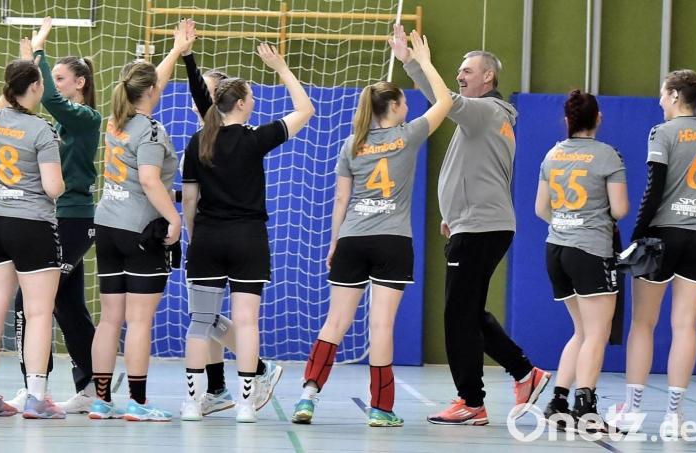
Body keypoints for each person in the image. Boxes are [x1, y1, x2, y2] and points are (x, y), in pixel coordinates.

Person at [390, 24, 550, 425]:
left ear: (488, 78)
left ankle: (471, 401)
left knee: (457, 315)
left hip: (480, 226)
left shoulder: (486, 111)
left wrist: (417, 63)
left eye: (467, 70)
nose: (460, 75)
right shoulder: (482, 117)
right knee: (469, 311)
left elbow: (443, 100)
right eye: (459, 71)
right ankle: (525, 373)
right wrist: (456, 213)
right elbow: (473, 167)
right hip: (474, 223)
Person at [290, 30, 451, 427]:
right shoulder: (407, 135)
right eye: (403, 103)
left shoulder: (352, 144)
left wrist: (334, 243)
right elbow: (446, 102)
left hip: (352, 239)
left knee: (335, 322)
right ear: (395, 106)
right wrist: (422, 60)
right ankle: (381, 409)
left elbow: (340, 201)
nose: (406, 107)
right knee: (381, 326)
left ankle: (307, 396)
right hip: (393, 241)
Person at [180, 42, 314, 423]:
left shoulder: (197, 141)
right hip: (248, 239)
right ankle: (244, 405)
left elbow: (190, 199)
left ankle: (192, 403)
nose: (254, 100)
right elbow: (305, 109)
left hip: (207, 238)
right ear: (239, 103)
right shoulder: (255, 139)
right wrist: (282, 68)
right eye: (251, 96)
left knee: (200, 323)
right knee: (246, 323)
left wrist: (196, 236)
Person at [88, 20, 191, 422]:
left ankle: (100, 400)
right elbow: (150, 180)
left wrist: (175, 51)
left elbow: (149, 84)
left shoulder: (117, 119)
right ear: (150, 93)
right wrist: (175, 217)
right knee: (139, 320)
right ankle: (137, 402)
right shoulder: (150, 130)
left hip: (108, 226)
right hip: (139, 231)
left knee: (110, 317)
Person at [3, 17, 101, 415]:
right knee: (68, 307)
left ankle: (34, 389)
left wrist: (37, 52)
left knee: (29, 302)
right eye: (51, 76)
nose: (53, 83)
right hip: (51, 218)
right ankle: (94, 386)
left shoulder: (85, 117)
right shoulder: (58, 123)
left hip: (74, 220)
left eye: (60, 77)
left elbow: (51, 100)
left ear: (79, 82)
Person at [609, 69, 696, 438]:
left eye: (661, 94)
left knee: (643, 324)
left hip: (662, 237)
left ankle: (633, 412)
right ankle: (674, 415)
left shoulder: (663, 132)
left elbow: (653, 191)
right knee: (684, 326)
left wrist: (636, 238)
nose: (658, 101)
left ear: (672, 95)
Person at [0, 56, 65, 419]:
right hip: (31, 224)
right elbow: (53, 187)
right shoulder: (42, 130)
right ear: (37, 88)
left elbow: (1, 103)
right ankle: (37, 398)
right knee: (39, 313)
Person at [534, 90, 628, 431]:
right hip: (590, 250)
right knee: (597, 334)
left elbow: (541, 209)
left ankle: (558, 400)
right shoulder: (607, 156)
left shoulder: (552, 154)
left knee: (582, 330)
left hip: (556, 249)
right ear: (598, 118)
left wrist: (568, 222)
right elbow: (619, 210)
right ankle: (585, 410)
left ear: (567, 121)